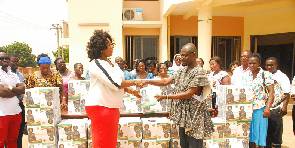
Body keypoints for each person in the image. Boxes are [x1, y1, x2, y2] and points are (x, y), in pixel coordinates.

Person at [145, 43, 213, 148]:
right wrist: (146, 81)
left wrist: (166, 97)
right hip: (183, 115)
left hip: (195, 116)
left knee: (194, 145)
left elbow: (189, 94)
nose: (182, 58)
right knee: (184, 144)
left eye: (185, 55)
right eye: (181, 55)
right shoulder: (182, 70)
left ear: (193, 55)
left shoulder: (199, 72)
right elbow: (165, 81)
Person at [85, 30, 144, 147]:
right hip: (101, 107)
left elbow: (117, 83)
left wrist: (131, 91)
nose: (112, 46)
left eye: (112, 43)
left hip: (111, 107)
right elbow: (115, 83)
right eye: (109, 44)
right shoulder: (96, 63)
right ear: (101, 47)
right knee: (102, 142)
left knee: (110, 142)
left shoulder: (112, 64)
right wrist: (135, 82)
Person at [245, 53, 275, 148]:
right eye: (250, 63)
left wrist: (267, 108)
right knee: (250, 135)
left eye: (254, 63)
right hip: (248, 109)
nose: (251, 65)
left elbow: (271, 93)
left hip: (260, 109)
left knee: (261, 136)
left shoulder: (265, 74)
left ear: (259, 63)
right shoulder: (246, 75)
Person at [0, 50, 25, 148]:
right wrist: (15, 91)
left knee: (13, 141)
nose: (5, 60)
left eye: (7, 58)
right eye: (1, 58)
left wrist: (9, 88)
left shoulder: (13, 74)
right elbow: (2, 92)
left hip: (16, 112)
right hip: (2, 114)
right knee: (1, 142)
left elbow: (22, 89)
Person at [265, 57, 290, 148]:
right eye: (267, 65)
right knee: (267, 132)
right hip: (266, 108)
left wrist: (284, 107)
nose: (269, 67)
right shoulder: (265, 75)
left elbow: (287, 93)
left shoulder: (282, 76)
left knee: (276, 132)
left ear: (276, 65)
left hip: (276, 108)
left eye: (271, 65)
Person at [10, 55, 26, 148]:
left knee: (19, 132)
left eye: (17, 62)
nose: (15, 63)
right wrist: (16, 89)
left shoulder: (20, 75)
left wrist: (12, 89)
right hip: (7, 105)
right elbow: (4, 91)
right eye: (13, 61)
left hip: (19, 105)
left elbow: (23, 90)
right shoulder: (4, 74)